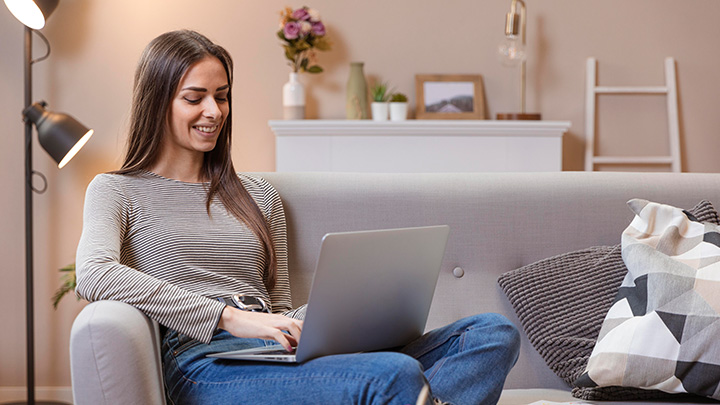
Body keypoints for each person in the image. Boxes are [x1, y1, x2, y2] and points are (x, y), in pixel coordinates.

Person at [75, 29, 520, 405]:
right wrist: (228, 317)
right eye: (195, 98)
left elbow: (280, 304)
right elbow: (93, 274)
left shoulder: (257, 195)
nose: (214, 112)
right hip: (206, 363)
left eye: (222, 96)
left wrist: (338, 315)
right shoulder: (117, 190)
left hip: (276, 352)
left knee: (492, 334)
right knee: (393, 375)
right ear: (158, 101)